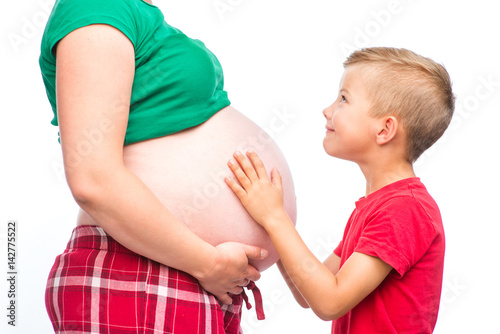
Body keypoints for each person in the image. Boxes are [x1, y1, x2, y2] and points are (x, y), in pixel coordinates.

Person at [39, 0, 296, 332]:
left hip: (185, 275)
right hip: (141, 272)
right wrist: (209, 263)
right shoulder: (98, 7)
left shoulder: (135, 13)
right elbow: (93, 180)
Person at [225, 47, 455, 333]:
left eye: (343, 99)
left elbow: (329, 301)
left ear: (384, 130)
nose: (327, 110)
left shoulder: (404, 210)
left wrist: (274, 217)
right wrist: (273, 219)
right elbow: (307, 291)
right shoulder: (378, 206)